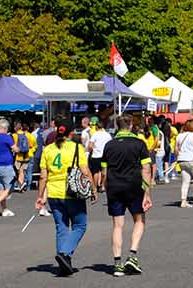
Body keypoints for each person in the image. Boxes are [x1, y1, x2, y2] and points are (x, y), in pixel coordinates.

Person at [35, 126, 91, 276]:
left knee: (61, 227)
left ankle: (64, 262)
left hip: (53, 192)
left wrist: (40, 196)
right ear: (70, 133)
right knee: (80, 225)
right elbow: (84, 170)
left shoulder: (48, 149)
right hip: (71, 191)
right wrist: (92, 188)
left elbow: (43, 176)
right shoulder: (76, 148)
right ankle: (65, 253)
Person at [103, 117, 153, 276]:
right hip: (134, 186)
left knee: (117, 225)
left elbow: (104, 171)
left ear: (117, 126)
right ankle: (132, 255)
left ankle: (117, 263)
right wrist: (147, 192)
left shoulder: (109, 145)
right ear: (130, 125)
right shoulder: (139, 143)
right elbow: (146, 169)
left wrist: (106, 188)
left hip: (114, 186)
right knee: (139, 220)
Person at [14, 121, 36, 191]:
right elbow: (35, 145)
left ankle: (20, 184)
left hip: (18, 156)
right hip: (28, 155)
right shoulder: (30, 136)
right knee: (25, 171)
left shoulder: (15, 135)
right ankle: (26, 186)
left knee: (17, 171)